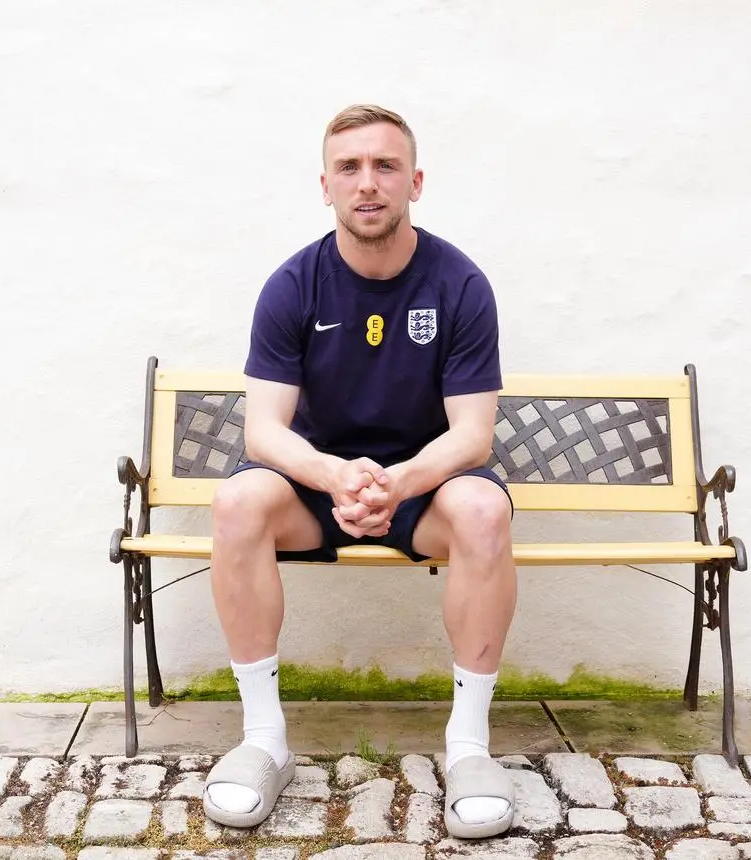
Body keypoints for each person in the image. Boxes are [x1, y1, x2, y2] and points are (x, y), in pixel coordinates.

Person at [200, 104, 519, 840]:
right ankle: (263, 741)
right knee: (239, 501)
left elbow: (472, 434)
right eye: (349, 168)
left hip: (426, 486)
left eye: (384, 166)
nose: (367, 184)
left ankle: (469, 749)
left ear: (415, 180)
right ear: (325, 185)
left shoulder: (460, 284)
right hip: (314, 487)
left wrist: (398, 483)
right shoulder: (294, 284)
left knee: (482, 511)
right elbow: (264, 431)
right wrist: (338, 477)